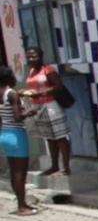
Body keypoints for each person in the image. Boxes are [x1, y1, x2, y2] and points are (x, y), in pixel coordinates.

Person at [21, 46, 70, 176]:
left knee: (60, 136)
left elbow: (59, 86)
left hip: (51, 106)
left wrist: (41, 93)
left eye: (33, 56)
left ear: (40, 56)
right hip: (38, 107)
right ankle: (54, 166)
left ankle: (65, 167)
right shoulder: (31, 71)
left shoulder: (48, 70)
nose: (30, 58)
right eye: (28, 56)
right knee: (49, 137)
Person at [0, 65, 38, 215]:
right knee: (20, 173)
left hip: (4, 134)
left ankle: (20, 204)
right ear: (9, 78)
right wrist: (29, 112)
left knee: (13, 171)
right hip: (16, 135)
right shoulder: (12, 94)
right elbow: (17, 117)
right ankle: (22, 206)